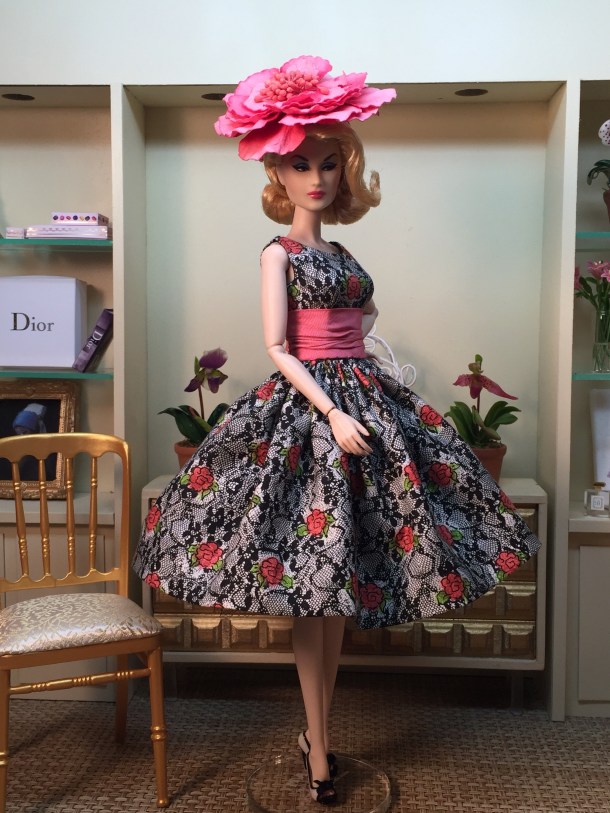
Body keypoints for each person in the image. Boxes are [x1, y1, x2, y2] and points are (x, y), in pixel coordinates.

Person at [134, 56, 541, 805]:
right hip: (316, 415)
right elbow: (279, 348)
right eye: (300, 165)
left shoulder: (342, 252)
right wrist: (331, 408)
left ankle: (317, 735)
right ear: (277, 175)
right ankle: (318, 744)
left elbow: (362, 312)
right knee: (313, 582)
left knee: (342, 582)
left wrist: (359, 349)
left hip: (365, 402)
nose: (316, 178)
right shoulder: (279, 252)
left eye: (328, 164)